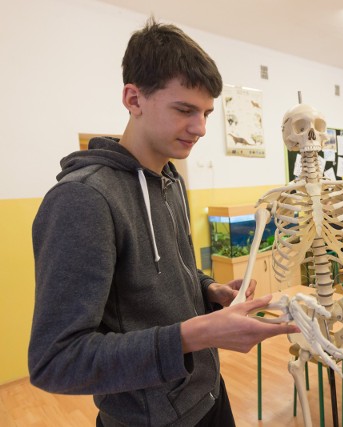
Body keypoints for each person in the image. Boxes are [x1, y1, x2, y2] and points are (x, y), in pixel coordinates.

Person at [28, 20, 298, 427]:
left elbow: (170, 273)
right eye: (185, 110)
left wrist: (209, 290)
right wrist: (197, 335)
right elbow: (56, 360)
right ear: (134, 99)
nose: (201, 128)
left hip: (208, 395)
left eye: (206, 112)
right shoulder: (82, 200)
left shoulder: (171, 182)